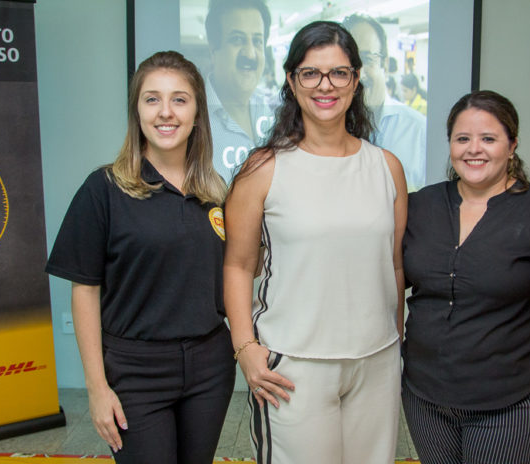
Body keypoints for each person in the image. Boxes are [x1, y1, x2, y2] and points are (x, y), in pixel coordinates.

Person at [223, 21, 408, 464]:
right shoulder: (263, 169)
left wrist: (396, 341)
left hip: (376, 362)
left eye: (339, 73)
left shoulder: (387, 167)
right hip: (294, 366)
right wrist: (246, 350)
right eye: (311, 73)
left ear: (356, 79)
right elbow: (237, 265)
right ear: (291, 80)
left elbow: (395, 265)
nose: (325, 86)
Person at [45, 51, 235, 464]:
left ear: (198, 112)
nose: (166, 112)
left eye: (180, 99)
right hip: (135, 372)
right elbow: (84, 292)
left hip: (210, 367)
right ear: (137, 111)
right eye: (152, 99)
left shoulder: (216, 191)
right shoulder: (104, 189)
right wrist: (97, 389)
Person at [401, 90, 530, 464]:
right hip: (425, 396)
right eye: (463, 139)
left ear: (512, 145)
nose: (474, 150)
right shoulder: (420, 206)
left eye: (488, 138)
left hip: (513, 401)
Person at [342, 14, 426, 191]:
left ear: (385, 64)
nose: (358, 74)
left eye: (367, 59)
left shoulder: (418, 130)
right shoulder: (326, 131)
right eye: (346, 63)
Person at [204, 0, 274, 181]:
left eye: (257, 41)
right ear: (213, 49)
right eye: (237, 40)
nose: (250, 54)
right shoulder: (192, 119)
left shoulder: (271, 111)